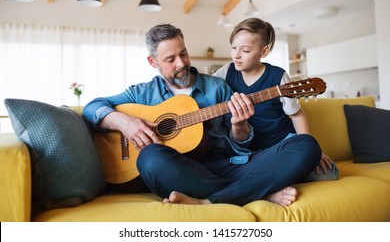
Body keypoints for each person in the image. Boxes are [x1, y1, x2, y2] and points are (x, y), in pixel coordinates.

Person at [82, 23, 322, 207]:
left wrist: (240, 126)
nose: (181, 63)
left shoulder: (217, 87)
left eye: (183, 53)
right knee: (150, 157)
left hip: (225, 166)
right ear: (152, 62)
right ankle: (256, 191)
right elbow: (92, 107)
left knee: (306, 146)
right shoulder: (142, 93)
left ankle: (211, 200)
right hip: (180, 171)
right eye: (170, 59)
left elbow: (241, 146)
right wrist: (124, 122)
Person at [213, 17, 339, 190]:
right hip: (248, 153)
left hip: (280, 147)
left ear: (264, 52)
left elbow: (296, 114)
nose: (236, 55)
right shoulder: (227, 71)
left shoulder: (278, 76)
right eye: (233, 47)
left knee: (330, 172)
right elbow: (204, 89)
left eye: (245, 50)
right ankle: (274, 178)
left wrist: (312, 150)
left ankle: (267, 179)